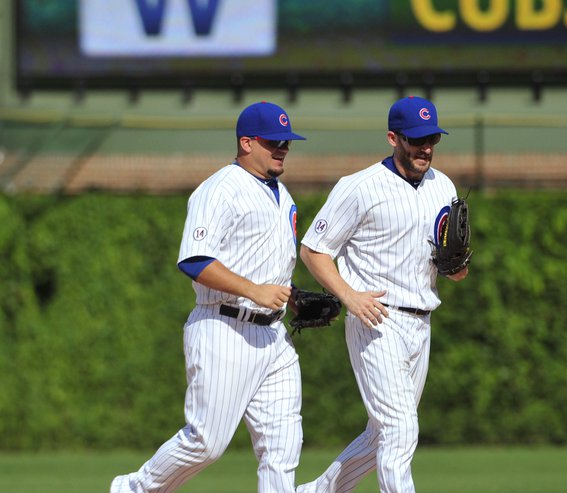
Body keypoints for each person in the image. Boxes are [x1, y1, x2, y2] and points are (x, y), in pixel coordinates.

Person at [111, 101, 308, 493]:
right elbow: (194, 260)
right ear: (246, 142)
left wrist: (291, 298)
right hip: (224, 327)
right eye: (274, 142)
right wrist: (254, 291)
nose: (283, 148)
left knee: (283, 446)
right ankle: (134, 489)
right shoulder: (219, 188)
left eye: (287, 141)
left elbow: (267, 268)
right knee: (207, 442)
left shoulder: (281, 193)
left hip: (273, 337)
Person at [295, 96, 469, 493]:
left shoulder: (444, 186)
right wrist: (349, 296)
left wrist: (457, 266)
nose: (426, 147)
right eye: (417, 139)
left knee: (381, 436)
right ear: (393, 137)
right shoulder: (359, 187)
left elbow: (454, 269)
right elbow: (314, 250)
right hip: (377, 318)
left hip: (421, 321)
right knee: (400, 427)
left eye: (432, 139)